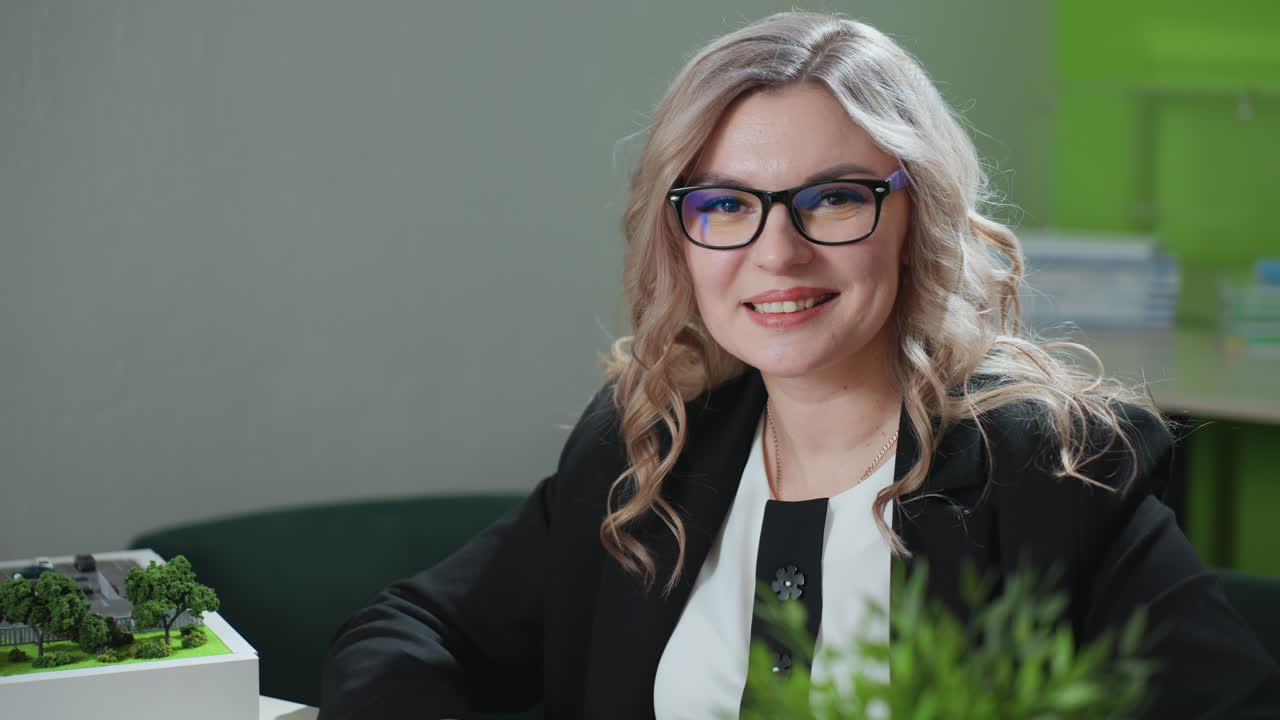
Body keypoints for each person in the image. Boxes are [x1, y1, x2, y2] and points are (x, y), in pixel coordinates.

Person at [319, 12, 1280, 719]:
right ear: (681, 235)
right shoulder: (647, 451)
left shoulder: (1052, 478)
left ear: (917, 220)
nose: (776, 254)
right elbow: (406, 635)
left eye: (830, 198)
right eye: (727, 205)